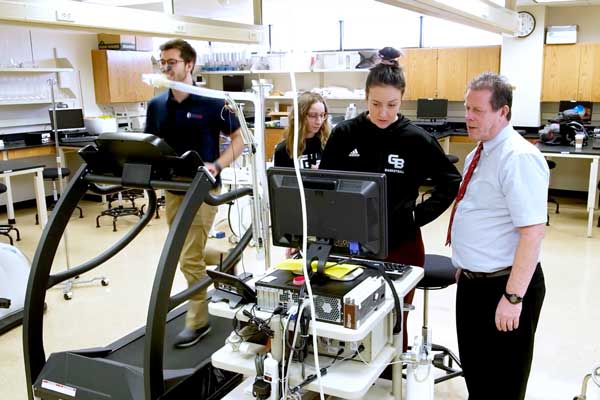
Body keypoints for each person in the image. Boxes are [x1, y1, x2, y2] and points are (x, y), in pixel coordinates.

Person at [319, 47, 461, 347]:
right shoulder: (345, 134)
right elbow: (324, 187)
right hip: (351, 244)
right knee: (351, 316)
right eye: (376, 104)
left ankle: (391, 378)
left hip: (401, 244)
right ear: (365, 97)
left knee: (395, 317)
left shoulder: (417, 139)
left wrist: (415, 216)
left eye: (392, 104)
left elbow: (449, 182)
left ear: (402, 99)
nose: (384, 113)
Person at [449, 72, 548, 399]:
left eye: (477, 110)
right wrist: (468, 262)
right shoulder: (481, 151)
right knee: (478, 377)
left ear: (502, 112)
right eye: (467, 108)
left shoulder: (517, 157)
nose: (468, 117)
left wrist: (513, 298)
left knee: (504, 386)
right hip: (474, 283)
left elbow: (532, 233)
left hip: (505, 288)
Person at [145, 39, 244, 348]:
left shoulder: (213, 101)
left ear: (189, 65)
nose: (166, 67)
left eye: (171, 61)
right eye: (162, 62)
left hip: (203, 189)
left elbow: (240, 139)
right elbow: (151, 144)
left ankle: (198, 320)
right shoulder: (157, 105)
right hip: (172, 189)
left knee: (187, 257)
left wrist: (216, 165)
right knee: (188, 250)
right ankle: (226, 257)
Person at [273, 91, 330, 168]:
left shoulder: (328, 144)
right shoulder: (283, 150)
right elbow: (280, 179)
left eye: (322, 115)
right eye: (313, 115)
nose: (319, 121)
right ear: (299, 116)